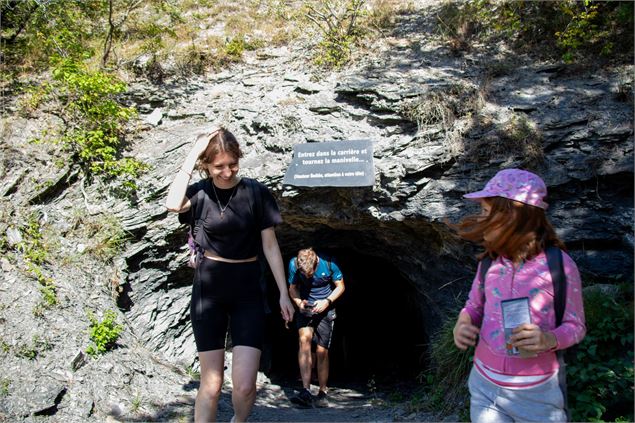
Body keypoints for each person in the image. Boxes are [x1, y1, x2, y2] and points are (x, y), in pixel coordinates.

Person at [165, 127, 295, 423]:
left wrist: (284, 294)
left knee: (246, 386)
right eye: (218, 166)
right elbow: (173, 204)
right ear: (206, 165)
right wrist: (193, 152)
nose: (226, 172)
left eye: (232, 164)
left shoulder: (256, 192)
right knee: (211, 385)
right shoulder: (199, 192)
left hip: (248, 290)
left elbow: (270, 245)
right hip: (209, 291)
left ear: (239, 159)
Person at [450, 169, 586, 423]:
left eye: (485, 212)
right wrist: (463, 322)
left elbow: (575, 327)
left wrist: (548, 339)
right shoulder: (489, 264)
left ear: (513, 217)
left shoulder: (559, 265)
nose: (480, 219)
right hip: (484, 386)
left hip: (537, 394)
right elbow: (474, 306)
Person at [287, 247, 345, 408]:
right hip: (306, 308)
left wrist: (327, 301)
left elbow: (341, 286)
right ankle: (305, 390)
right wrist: (299, 303)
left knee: (321, 351)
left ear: (316, 263)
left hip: (326, 309)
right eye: (304, 274)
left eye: (310, 274)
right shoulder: (294, 264)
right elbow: (292, 289)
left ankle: (322, 391)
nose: (307, 276)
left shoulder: (329, 263)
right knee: (304, 342)